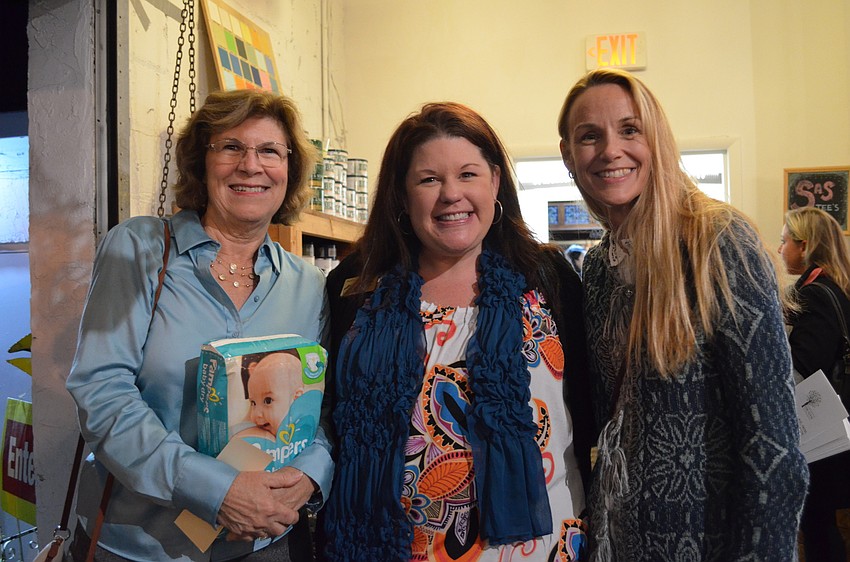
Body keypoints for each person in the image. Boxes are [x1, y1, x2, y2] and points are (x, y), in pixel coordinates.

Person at [66, 89, 332, 562]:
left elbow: (321, 405)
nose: (251, 165)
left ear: (289, 169)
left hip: (266, 544)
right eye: (231, 147)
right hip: (143, 547)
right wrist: (217, 491)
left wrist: (308, 479)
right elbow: (101, 391)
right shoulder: (141, 250)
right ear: (201, 161)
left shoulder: (306, 283)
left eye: (269, 150)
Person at [321, 102, 594, 562]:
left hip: (538, 548)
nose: (451, 194)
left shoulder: (548, 278)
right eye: (429, 179)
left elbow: (588, 411)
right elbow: (328, 416)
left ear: (494, 182)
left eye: (468, 174)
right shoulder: (356, 288)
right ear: (402, 198)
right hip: (390, 550)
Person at [557, 68, 809, 561]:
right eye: (590, 136)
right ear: (569, 155)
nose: (611, 150)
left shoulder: (717, 241)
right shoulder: (598, 270)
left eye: (630, 130)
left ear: (657, 138)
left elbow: (774, 448)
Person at [780, 206, 850, 562]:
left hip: (821, 430)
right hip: (837, 423)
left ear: (804, 246)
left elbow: (803, 367)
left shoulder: (814, 293)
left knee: (818, 524)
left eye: (784, 241)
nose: (780, 250)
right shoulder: (837, 286)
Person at [237, 352, 306, 442]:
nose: (257, 414)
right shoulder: (253, 433)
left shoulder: (305, 428)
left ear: (296, 398)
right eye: (253, 403)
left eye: (268, 401)